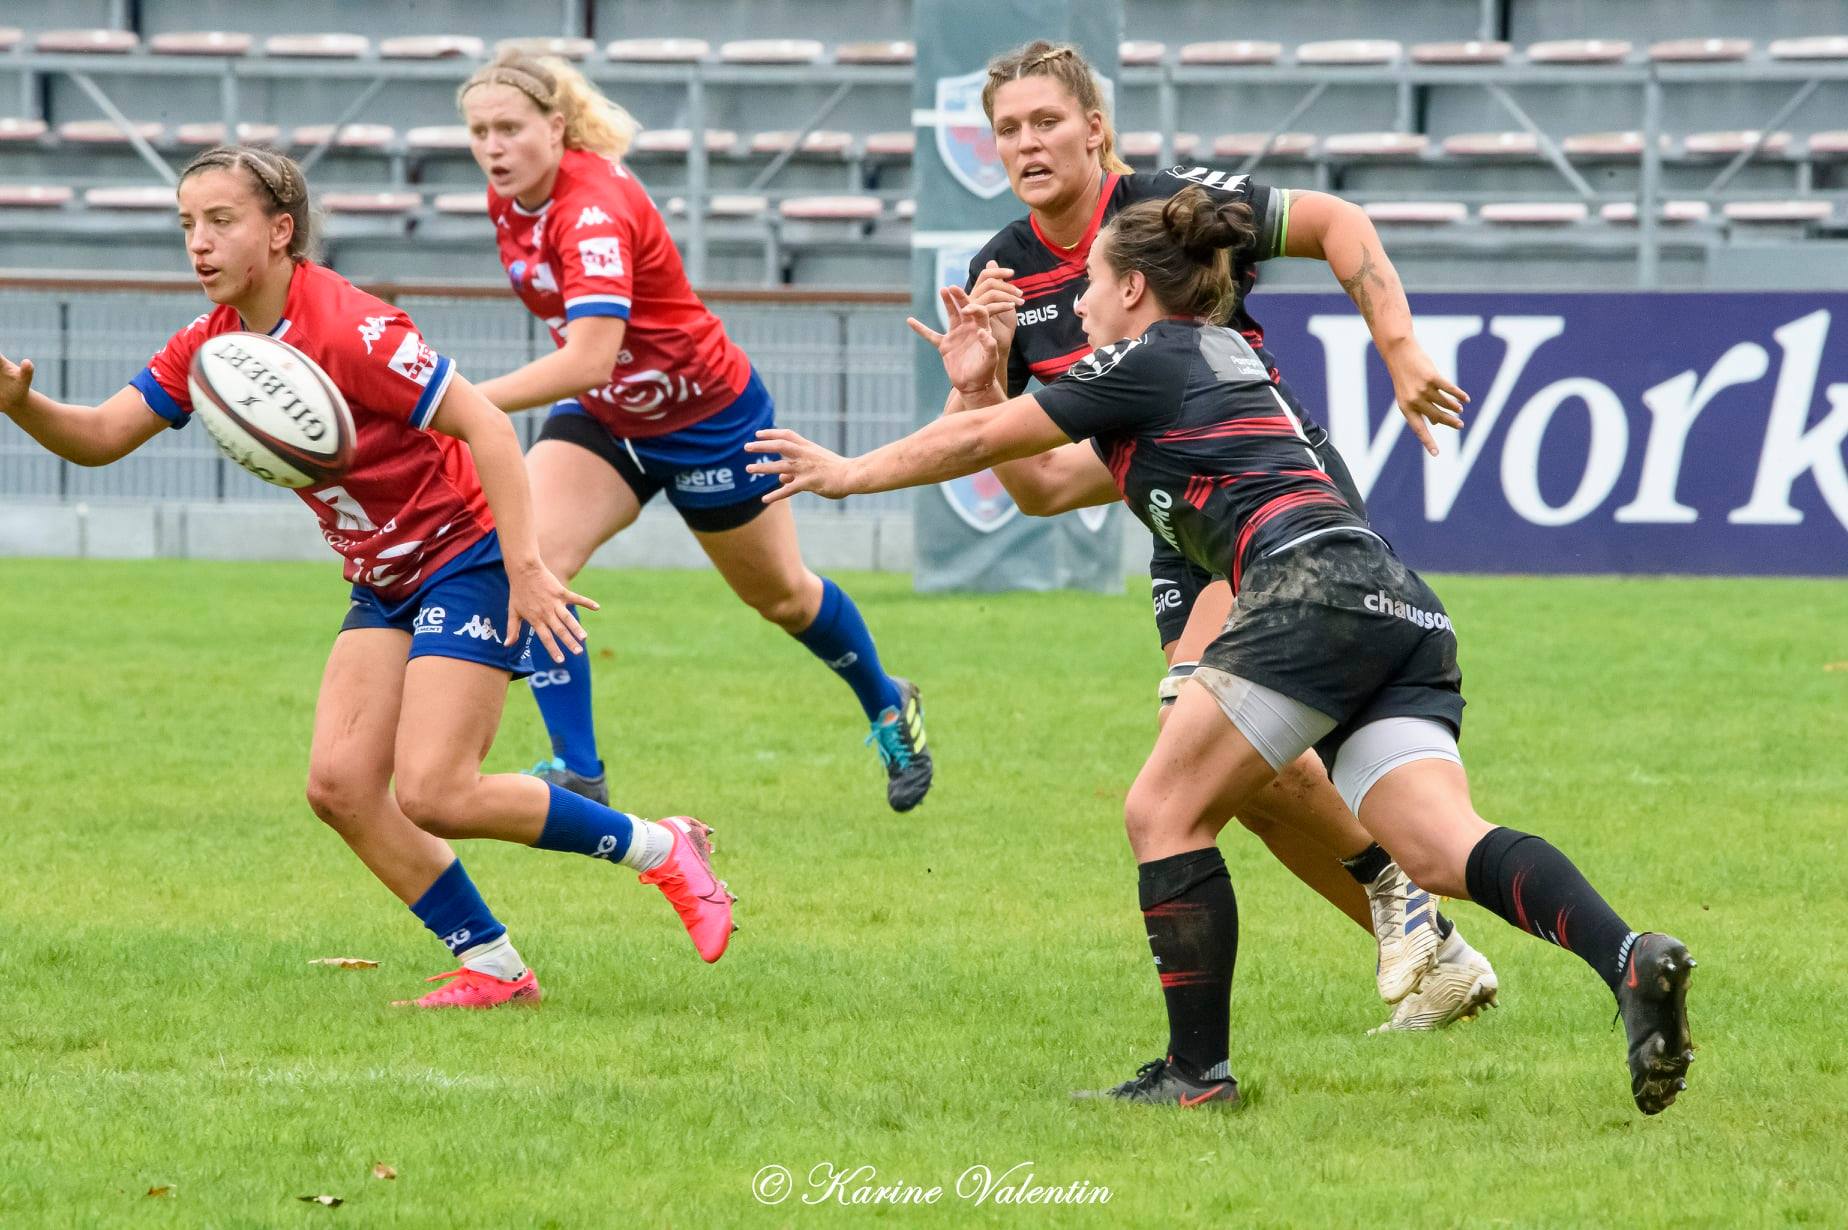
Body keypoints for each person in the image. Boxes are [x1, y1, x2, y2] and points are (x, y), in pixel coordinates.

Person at [744, 188, 1697, 1115]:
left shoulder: (1143, 358)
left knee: (1163, 808)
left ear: (1130, 290)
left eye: (1088, 286)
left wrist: (843, 473)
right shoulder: (1218, 356)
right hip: (1395, 600)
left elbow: (991, 442)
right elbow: (1032, 477)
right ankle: (1629, 958)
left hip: (1302, 590)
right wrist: (978, 379)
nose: (1072, 303)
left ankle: (1195, 1073)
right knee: (1446, 847)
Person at [0, 144, 736, 1008]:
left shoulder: (354, 327)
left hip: (468, 555)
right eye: (187, 224)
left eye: (220, 222)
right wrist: (20, 404)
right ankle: (497, 971)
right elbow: (97, 437)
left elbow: (489, 428)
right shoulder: (213, 346)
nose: (198, 243)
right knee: (342, 787)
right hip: (383, 579)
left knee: (436, 790)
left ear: (280, 232)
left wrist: (528, 568)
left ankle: (662, 847)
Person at [952, 40, 1491, 1030]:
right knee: (1233, 776)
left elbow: (1334, 220)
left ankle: (1402, 906)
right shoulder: (1004, 273)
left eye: (1046, 122)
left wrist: (1400, 346)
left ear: (1094, 128)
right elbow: (1038, 486)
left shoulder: (1172, 209)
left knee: (1190, 741)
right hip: (1179, 528)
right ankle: (1426, 942)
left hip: (1270, 490)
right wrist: (978, 382)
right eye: (1007, 130)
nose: (1027, 143)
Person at [457, 50, 931, 813]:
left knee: (782, 598)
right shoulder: (507, 199)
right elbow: (594, 369)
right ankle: (581, 770)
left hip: (705, 418)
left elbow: (588, 357)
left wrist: (463, 404)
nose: (493, 147)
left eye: (509, 128)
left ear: (555, 126)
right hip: (611, 418)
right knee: (533, 562)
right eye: (479, 131)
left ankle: (886, 700)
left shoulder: (592, 208)